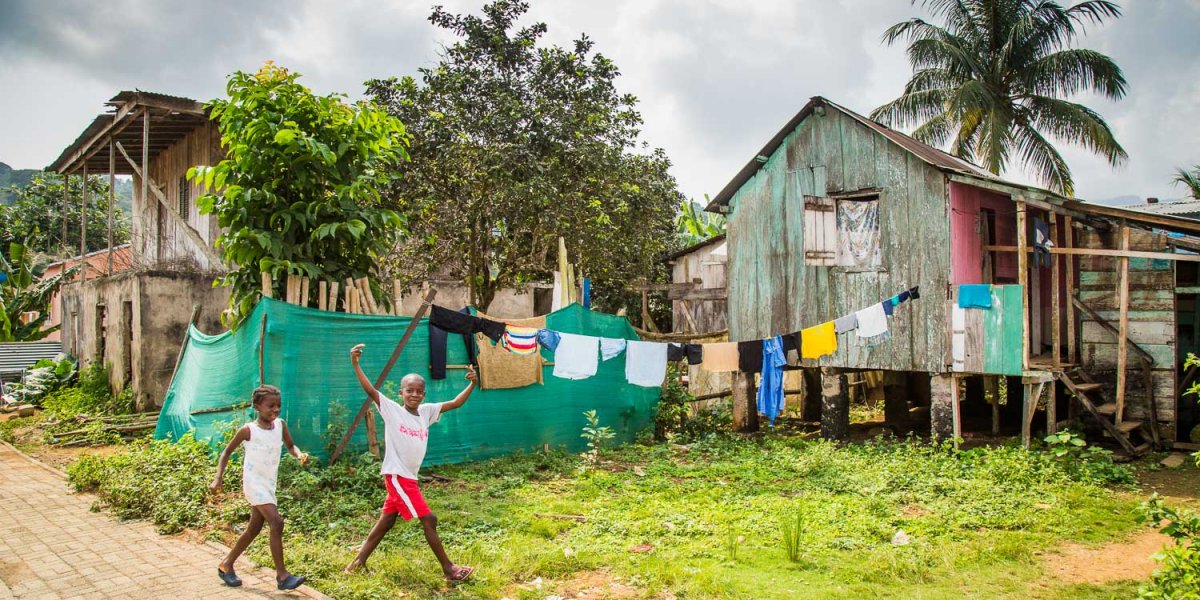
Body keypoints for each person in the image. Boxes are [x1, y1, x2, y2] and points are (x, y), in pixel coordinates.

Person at [344, 343, 476, 582]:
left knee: (386, 521)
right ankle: (449, 569)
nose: (414, 394)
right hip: (397, 476)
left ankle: (356, 563)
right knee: (429, 519)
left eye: (418, 391)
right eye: (409, 390)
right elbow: (371, 390)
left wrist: (472, 384)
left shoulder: (426, 412)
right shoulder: (393, 410)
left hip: (408, 477)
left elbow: (455, 403)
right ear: (401, 393)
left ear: (424, 394)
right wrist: (355, 363)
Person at [210, 384, 309, 590]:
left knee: (254, 528)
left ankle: (226, 564)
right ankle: (282, 576)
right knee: (276, 522)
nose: (275, 410)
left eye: (278, 405)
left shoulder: (281, 425)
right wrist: (218, 477)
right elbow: (226, 452)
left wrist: (298, 454)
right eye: (270, 406)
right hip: (254, 483)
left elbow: (290, 446)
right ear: (257, 406)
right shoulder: (248, 430)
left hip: (268, 483)